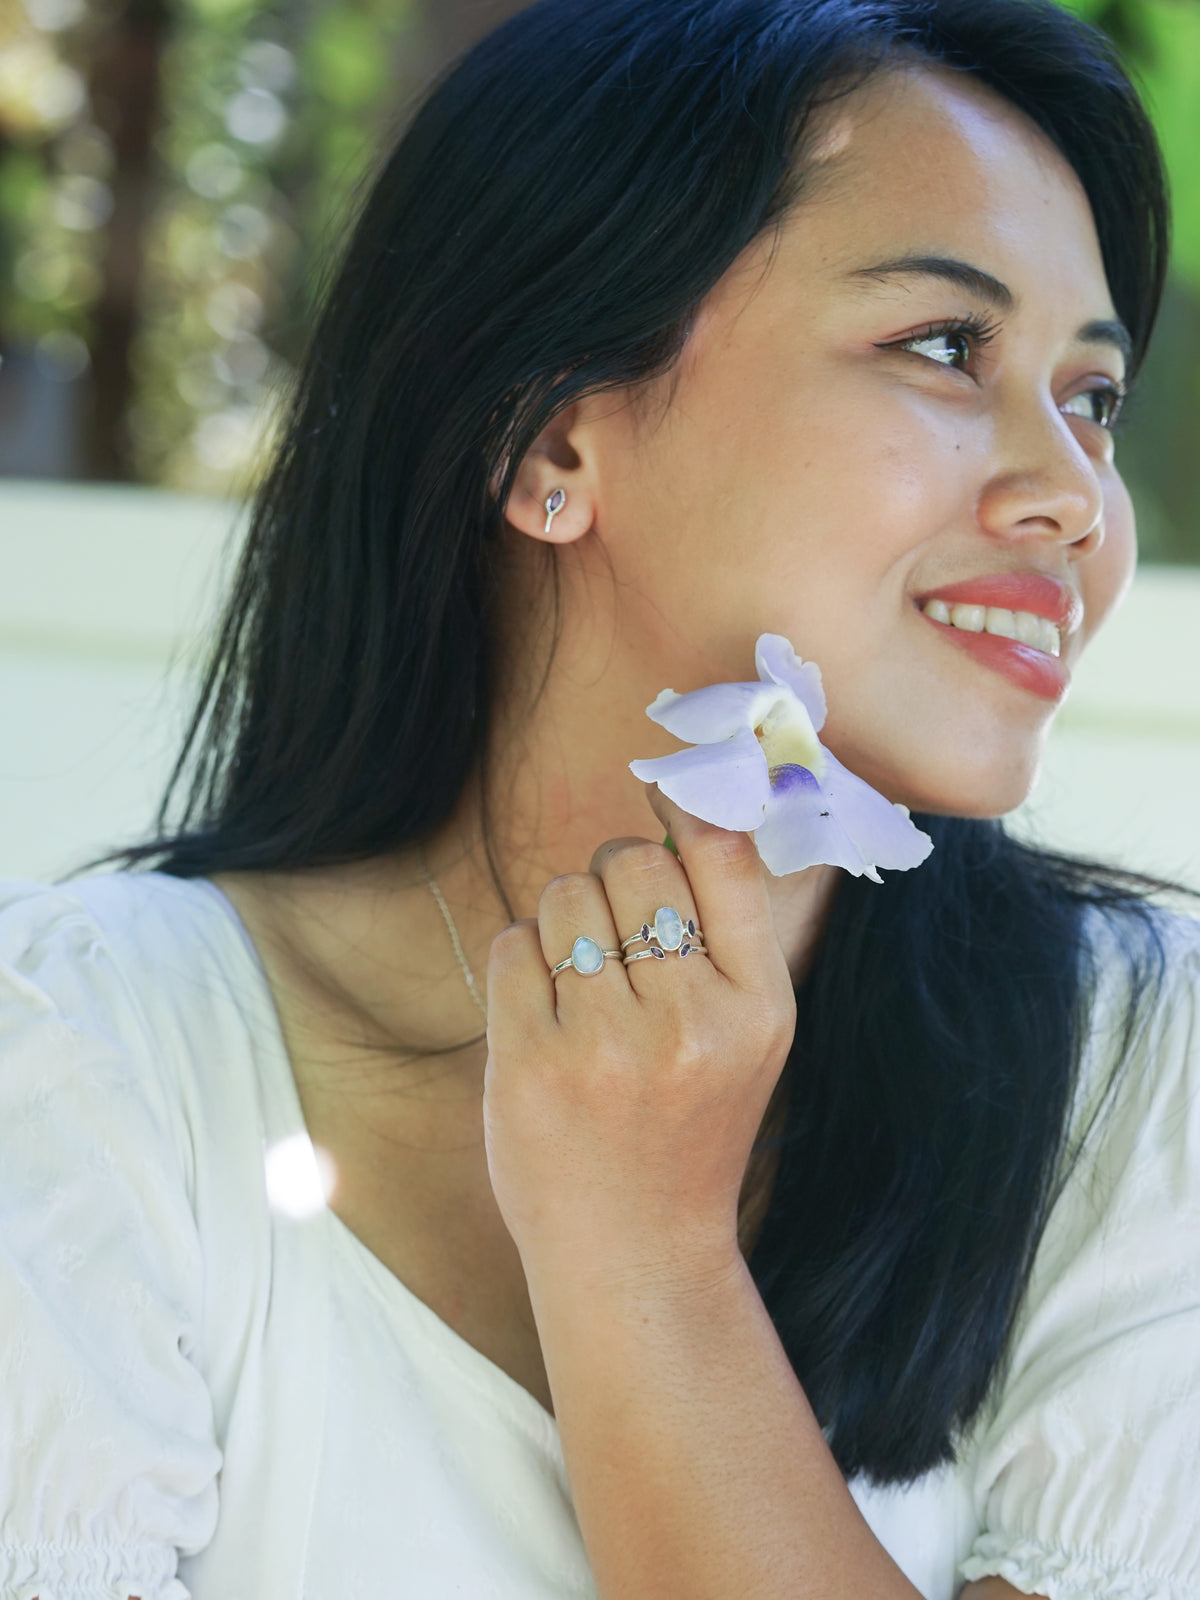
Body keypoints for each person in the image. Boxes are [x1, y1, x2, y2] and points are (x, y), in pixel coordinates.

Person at [1, 0, 1197, 1595]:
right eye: (944, 346)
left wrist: (646, 1257)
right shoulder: (80, 1060)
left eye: (1092, 397)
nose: (1072, 496)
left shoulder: (1136, 1075)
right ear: (551, 435)